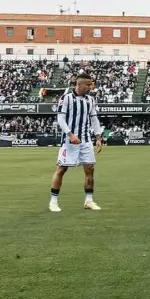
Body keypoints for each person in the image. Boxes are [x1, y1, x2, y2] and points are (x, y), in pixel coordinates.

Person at [49, 73, 103, 212]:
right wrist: (70, 135)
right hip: (69, 141)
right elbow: (60, 119)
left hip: (85, 140)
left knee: (90, 169)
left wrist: (98, 137)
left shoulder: (90, 100)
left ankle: (89, 201)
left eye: (91, 84)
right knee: (62, 169)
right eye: (88, 85)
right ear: (79, 84)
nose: (91, 87)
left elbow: (94, 119)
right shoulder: (66, 98)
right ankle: (53, 202)